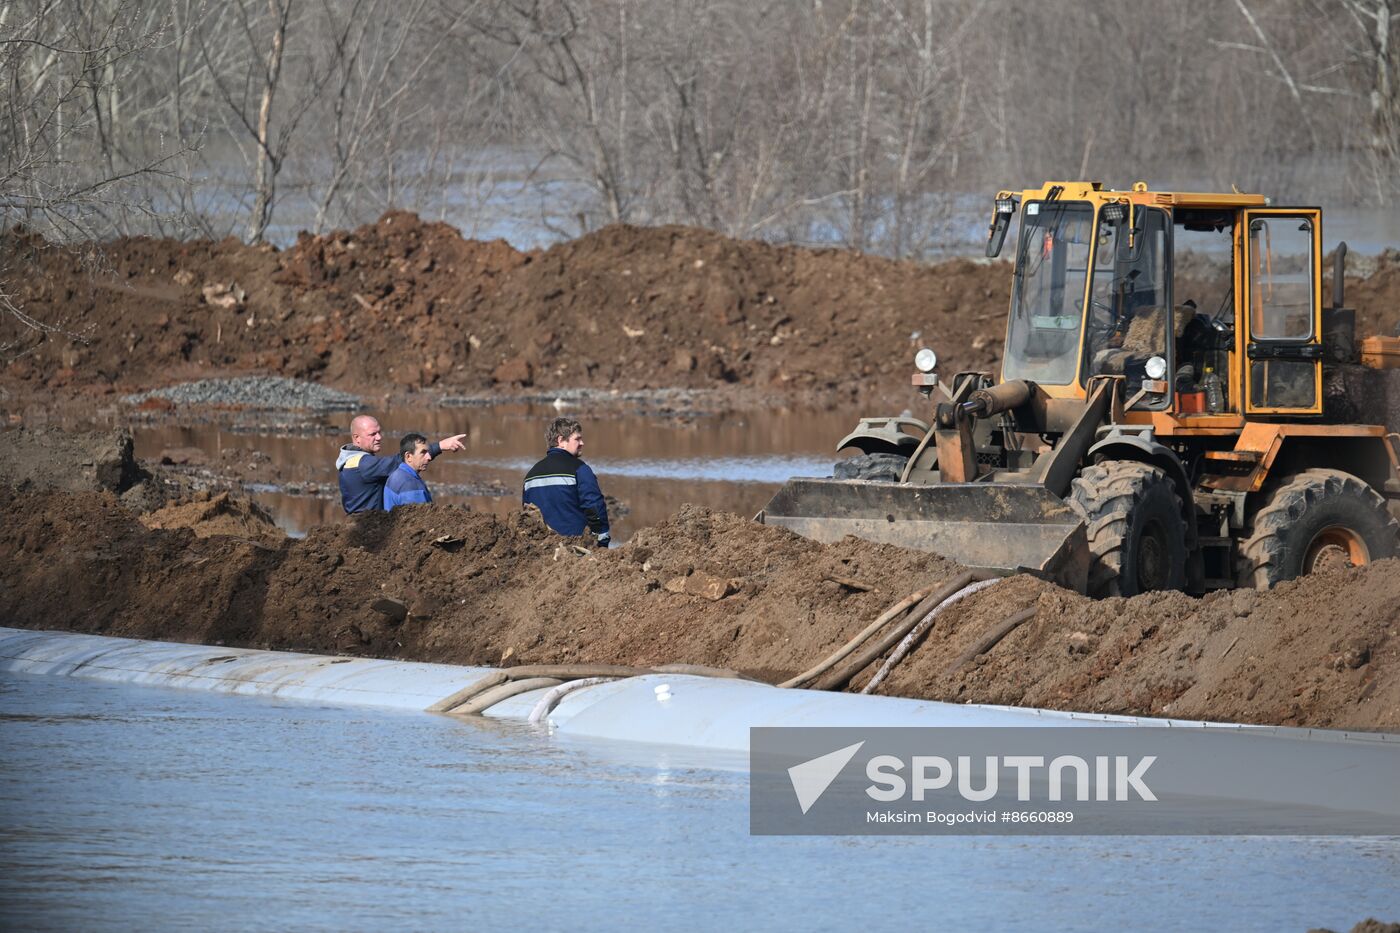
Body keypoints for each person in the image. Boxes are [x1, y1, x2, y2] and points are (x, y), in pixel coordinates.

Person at [335, 414, 465, 514]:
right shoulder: (364, 464)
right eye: (373, 434)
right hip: (370, 529)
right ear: (357, 438)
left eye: (379, 432)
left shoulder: (349, 461)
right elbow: (402, 460)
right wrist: (440, 446)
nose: (379, 437)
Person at [523, 417, 611, 546]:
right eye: (577, 439)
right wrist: (602, 541)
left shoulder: (531, 475)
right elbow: (594, 506)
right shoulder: (580, 469)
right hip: (575, 549)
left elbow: (526, 517)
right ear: (561, 441)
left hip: (540, 550)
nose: (582, 443)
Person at [383, 433, 433, 512]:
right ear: (408, 456)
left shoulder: (396, 474)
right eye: (423, 452)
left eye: (428, 452)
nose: (429, 457)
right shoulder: (410, 484)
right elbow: (420, 521)